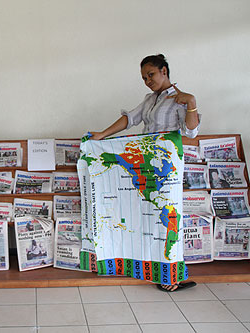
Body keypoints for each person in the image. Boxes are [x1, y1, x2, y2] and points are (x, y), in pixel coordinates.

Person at [89, 54, 200, 293]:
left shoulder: (180, 99)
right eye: (144, 77)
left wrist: (191, 102)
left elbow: (191, 132)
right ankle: (153, 268)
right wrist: (102, 135)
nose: (147, 80)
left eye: (151, 74)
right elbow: (130, 119)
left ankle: (171, 277)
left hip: (166, 167)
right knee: (148, 217)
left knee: (168, 219)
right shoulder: (150, 99)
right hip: (146, 162)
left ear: (164, 71)